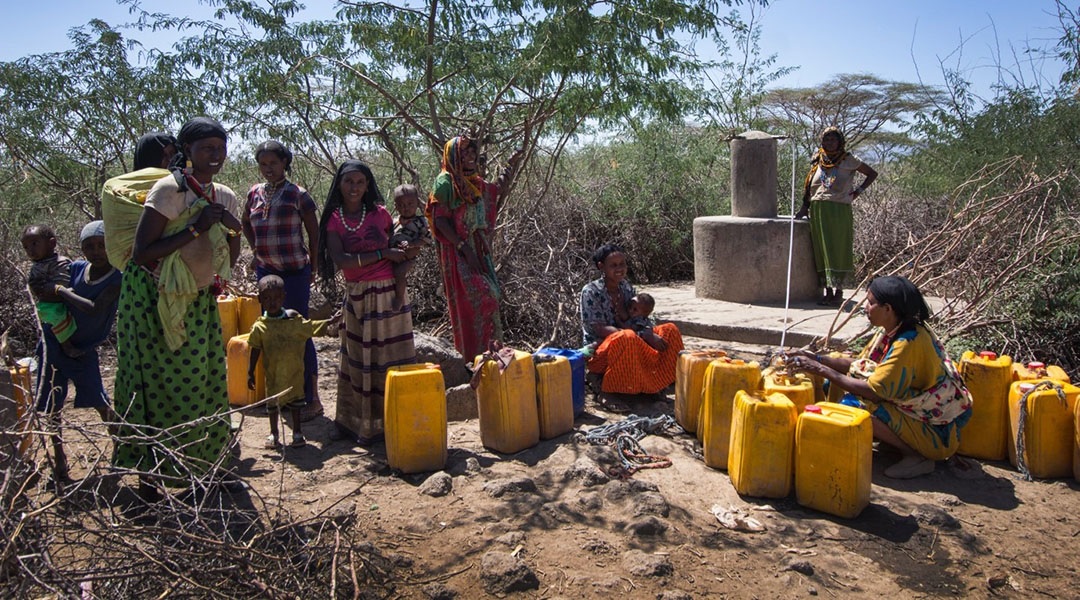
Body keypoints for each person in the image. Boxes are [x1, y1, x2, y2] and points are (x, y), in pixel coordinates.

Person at [111, 116, 243, 503]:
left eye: (220, 148)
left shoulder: (224, 195)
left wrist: (234, 229)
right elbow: (142, 253)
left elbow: (228, 256)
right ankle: (150, 480)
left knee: (206, 383)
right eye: (207, 148)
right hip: (153, 302)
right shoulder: (168, 190)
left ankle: (208, 469)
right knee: (154, 386)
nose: (215, 155)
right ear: (187, 151)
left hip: (198, 300)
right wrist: (196, 228)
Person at [787, 275, 973, 479]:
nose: (865, 307)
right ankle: (890, 440)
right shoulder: (893, 330)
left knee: (856, 406)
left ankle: (916, 455)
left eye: (870, 302)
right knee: (837, 369)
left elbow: (874, 391)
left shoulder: (909, 342)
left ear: (888, 309)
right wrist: (816, 358)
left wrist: (821, 369)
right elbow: (863, 365)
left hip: (935, 431)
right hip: (912, 411)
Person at [317, 160, 415, 446]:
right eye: (349, 181)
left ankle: (394, 421)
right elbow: (342, 260)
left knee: (391, 357)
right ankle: (355, 423)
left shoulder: (380, 213)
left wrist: (401, 251)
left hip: (388, 293)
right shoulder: (334, 219)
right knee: (357, 359)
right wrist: (383, 254)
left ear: (368, 185)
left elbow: (399, 247)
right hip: (358, 294)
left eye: (360, 182)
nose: (355, 188)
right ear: (339, 184)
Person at [33, 221, 123, 484]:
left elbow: (93, 308)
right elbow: (46, 293)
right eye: (89, 247)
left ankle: (121, 448)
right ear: (82, 249)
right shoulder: (76, 269)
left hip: (82, 349)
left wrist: (61, 291)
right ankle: (59, 461)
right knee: (53, 406)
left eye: (101, 246)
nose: (96, 252)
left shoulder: (116, 279)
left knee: (99, 401)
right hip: (53, 343)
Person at [241, 140, 323, 421]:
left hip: (295, 272)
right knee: (271, 331)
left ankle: (312, 398)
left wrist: (314, 265)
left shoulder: (298, 194)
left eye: (273, 163)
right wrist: (256, 249)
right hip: (267, 274)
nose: (268, 169)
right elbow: (245, 222)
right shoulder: (254, 193)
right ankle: (281, 396)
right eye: (263, 164)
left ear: (285, 163)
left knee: (298, 331)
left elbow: (314, 232)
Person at [427, 135, 522, 360]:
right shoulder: (445, 182)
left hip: (478, 249)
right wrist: (464, 248)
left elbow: (495, 189)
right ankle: (475, 355)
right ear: (453, 156)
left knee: (491, 298)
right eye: (465, 153)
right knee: (482, 297)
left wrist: (511, 164)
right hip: (458, 252)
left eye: (472, 152)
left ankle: (491, 353)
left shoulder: (473, 182)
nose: (470, 157)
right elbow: (440, 220)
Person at [247, 275, 338, 451]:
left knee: (296, 403)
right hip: (273, 375)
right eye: (267, 298)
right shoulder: (260, 327)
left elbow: (312, 327)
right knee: (273, 404)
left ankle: (297, 433)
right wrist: (250, 372)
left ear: (283, 297)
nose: (272, 302)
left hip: (294, 374)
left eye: (276, 298)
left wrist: (331, 322)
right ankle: (274, 433)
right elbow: (255, 349)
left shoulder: (294, 322)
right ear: (260, 300)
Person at [580, 243, 684, 397]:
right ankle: (614, 390)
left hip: (632, 340)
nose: (619, 269)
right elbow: (600, 329)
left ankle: (663, 381)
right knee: (627, 337)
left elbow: (642, 316)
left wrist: (649, 332)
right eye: (613, 265)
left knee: (669, 330)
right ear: (602, 267)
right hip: (601, 352)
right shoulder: (590, 291)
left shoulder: (626, 287)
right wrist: (641, 336)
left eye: (622, 264)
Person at [795, 127, 878, 306]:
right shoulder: (818, 159)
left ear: (840, 142)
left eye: (833, 139)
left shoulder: (848, 159)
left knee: (838, 249)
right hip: (818, 209)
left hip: (838, 210)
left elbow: (872, 174)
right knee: (821, 251)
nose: (829, 143)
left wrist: (858, 191)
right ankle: (828, 292)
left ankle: (839, 292)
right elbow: (810, 186)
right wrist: (804, 208)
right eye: (826, 139)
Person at [102, 131, 178, 271]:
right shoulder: (117, 190)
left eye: (172, 154)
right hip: (136, 274)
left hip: (181, 269)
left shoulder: (184, 185)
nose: (169, 160)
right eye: (163, 155)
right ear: (147, 157)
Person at [22, 225, 82, 359]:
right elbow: (34, 286)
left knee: (57, 317)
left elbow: (62, 284)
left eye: (34, 244)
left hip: (61, 302)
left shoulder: (60, 262)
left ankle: (67, 345)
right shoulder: (36, 265)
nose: (30, 250)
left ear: (52, 243)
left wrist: (48, 289)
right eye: (26, 247)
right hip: (46, 303)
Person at [388, 183, 433, 311]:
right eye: (401, 205)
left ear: (417, 203)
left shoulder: (421, 222)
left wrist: (412, 244)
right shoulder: (394, 222)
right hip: (391, 257)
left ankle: (399, 298)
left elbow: (427, 238)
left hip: (408, 259)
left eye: (410, 204)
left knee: (399, 273)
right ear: (396, 206)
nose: (406, 208)